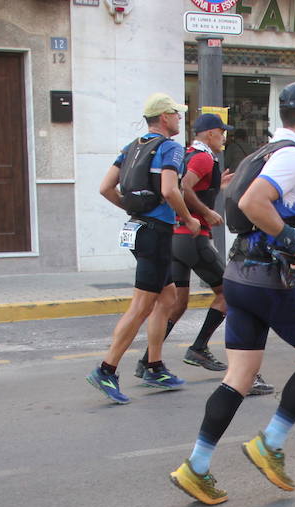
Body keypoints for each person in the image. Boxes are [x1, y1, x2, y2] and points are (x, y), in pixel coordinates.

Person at [169, 81, 295, 505]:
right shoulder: (294, 158)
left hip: (239, 277)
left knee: (239, 377)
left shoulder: (259, 153)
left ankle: (196, 466)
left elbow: (256, 211)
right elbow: (252, 205)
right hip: (270, 279)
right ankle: (270, 443)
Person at [87, 92, 201, 405]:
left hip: (136, 229)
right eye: (176, 114)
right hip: (156, 232)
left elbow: (104, 187)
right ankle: (106, 369)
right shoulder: (169, 148)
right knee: (141, 305)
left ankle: (154, 365)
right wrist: (189, 219)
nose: (179, 118)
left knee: (168, 296)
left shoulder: (131, 147)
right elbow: (168, 189)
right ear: (164, 117)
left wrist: (132, 208)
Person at [166, 112, 273, 396]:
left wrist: (217, 187)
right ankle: (200, 347)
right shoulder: (203, 157)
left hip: (175, 239)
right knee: (229, 293)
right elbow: (183, 187)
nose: (224, 137)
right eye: (221, 132)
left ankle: (150, 361)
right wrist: (204, 212)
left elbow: (192, 186)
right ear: (210, 133)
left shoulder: (190, 154)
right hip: (194, 238)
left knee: (177, 303)